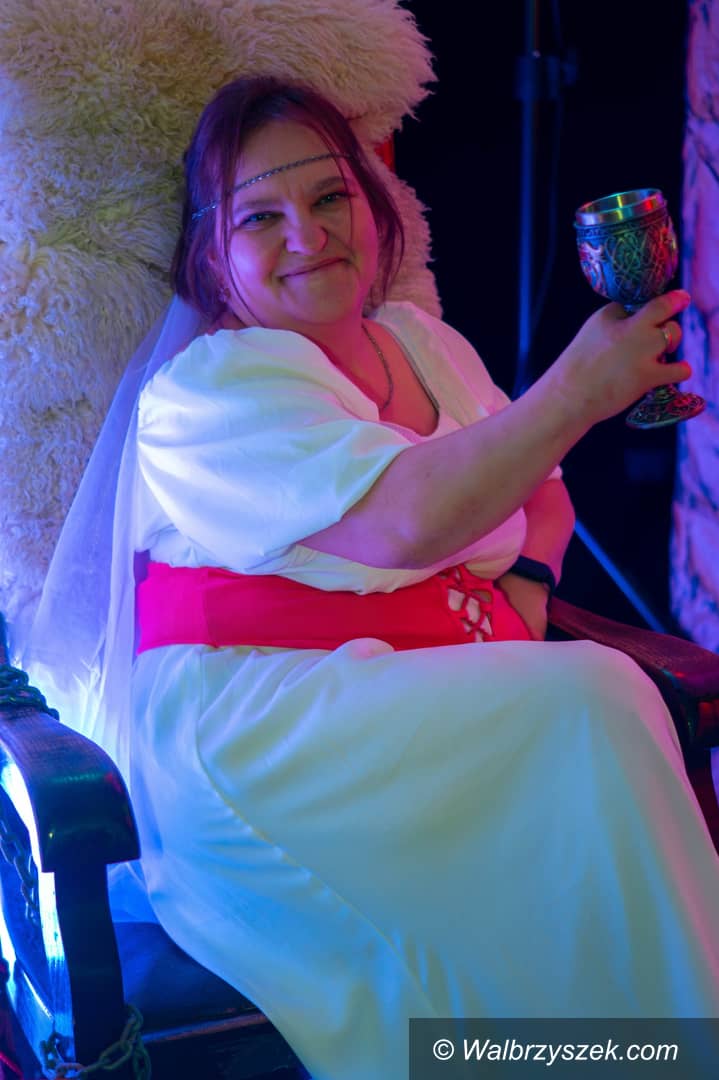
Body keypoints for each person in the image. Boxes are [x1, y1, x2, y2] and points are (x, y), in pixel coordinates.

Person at [23, 76, 719, 1080]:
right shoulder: (208, 389)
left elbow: (541, 491)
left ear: (372, 204)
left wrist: (519, 598)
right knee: (590, 701)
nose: (306, 235)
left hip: (422, 679)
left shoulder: (424, 344)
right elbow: (405, 520)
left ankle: (640, 1044)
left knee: (589, 709)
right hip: (261, 715)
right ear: (213, 255)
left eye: (328, 197)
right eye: (260, 217)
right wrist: (576, 390)